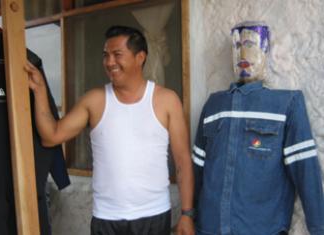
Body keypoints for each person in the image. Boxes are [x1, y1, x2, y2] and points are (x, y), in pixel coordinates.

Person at [25, 25, 195, 235]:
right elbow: (51, 137)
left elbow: (183, 161)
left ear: (140, 57)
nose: (109, 62)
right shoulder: (94, 100)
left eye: (117, 55)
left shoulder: (167, 100)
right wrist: (40, 90)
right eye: (106, 55)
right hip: (107, 219)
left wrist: (187, 214)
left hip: (154, 216)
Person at [192, 21, 324, 235]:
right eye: (236, 46)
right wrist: (188, 216)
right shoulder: (214, 105)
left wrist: (318, 228)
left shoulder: (286, 104)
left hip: (261, 229)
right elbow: (197, 170)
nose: (243, 53)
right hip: (209, 228)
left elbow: (305, 171)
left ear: (266, 51)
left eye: (250, 44)